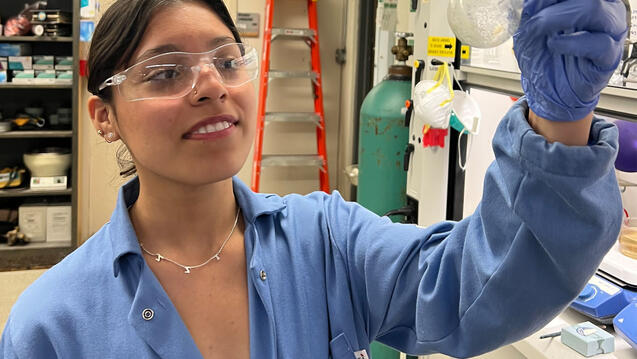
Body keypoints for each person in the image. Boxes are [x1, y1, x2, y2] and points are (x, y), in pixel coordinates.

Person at [1, 0, 628, 358]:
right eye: (166, 71)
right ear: (104, 116)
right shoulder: (52, 325)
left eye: (226, 60)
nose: (212, 86)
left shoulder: (323, 240)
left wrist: (559, 120)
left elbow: (476, 285)